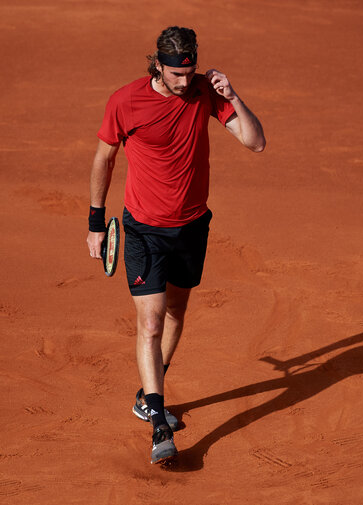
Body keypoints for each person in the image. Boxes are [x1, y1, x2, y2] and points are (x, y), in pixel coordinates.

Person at [85, 26, 265, 464]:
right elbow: (104, 158)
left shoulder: (204, 91)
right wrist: (94, 222)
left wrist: (233, 94)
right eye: (175, 75)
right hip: (144, 229)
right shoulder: (125, 101)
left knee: (176, 314)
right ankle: (159, 423)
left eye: (190, 73)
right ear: (158, 66)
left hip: (191, 227)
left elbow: (255, 141)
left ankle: (149, 392)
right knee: (149, 324)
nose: (184, 83)